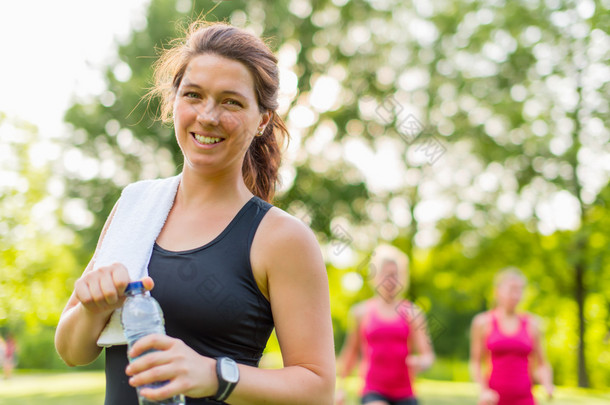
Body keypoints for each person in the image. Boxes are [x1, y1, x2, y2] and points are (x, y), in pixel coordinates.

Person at [55, 21, 335, 404]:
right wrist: (93, 309)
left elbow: (318, 388)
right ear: (173, 101)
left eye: (231, 101)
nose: (207, 115)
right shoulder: (135, 206)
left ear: (263, 119)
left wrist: (214, 374)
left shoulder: (281, 238)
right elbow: (73, 352)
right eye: (193, 95)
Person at [336, 244, 435, 405]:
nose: (391, 281)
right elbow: (350, 353)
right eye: (386, 275)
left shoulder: (413, 313)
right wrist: (341, 387)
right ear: (376, 276)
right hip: (373, 391)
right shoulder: (361, 312)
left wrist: (422, 362)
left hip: (405, 393)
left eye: (395, 275)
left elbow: (428, 355)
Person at [469, 267, 554, 405]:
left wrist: (547, 384)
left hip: (525, 399)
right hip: (493, 399)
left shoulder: (533, 324)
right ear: (497, 291)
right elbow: (475, 363)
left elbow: (542, 364)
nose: (516, 295)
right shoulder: (483, 322)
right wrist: (483, 390)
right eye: (511, 290)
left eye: (520, 290)